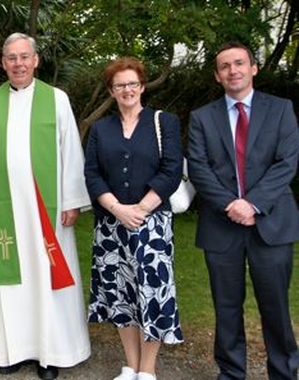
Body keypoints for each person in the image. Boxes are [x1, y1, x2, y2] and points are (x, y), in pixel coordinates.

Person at [0, 32, 90, 380]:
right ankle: (11, 350)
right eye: (11, 58)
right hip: (5, 209)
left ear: (35, 61)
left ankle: (51, 353)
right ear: (3, 63)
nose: (18, 63)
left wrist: (74, 199)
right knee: (10, 278)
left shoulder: (56, 99)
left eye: (24, 57)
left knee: (48, 275)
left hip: (47, 209)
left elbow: (70, 152)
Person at [188, 41, 299, 380]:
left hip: (272, 224)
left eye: (239, 63)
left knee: (276, 306)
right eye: (225, 66)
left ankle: (283, 372)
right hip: (222, 227)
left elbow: (286, 162)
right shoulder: (201, 117)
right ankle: (232, 373)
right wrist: (230, 205)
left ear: (254, 68)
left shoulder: (281, 109)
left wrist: (252, 204)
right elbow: (198, 167)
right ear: (218, 75)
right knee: (226, 307)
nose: (232, 70)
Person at [83, 57, 184, 380]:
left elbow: (171, 170)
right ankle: (130, 364)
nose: (126, 90)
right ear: (111, 91)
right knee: (120, 293)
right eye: (119, 85)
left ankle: (147, 369)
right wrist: (118, 209)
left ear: (141, 86)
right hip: (112, 225)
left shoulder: (163, 122)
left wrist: (139, 210)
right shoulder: (101, 129)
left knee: (151, 292)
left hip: (151, 224)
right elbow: (92, 174)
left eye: (132, 84)